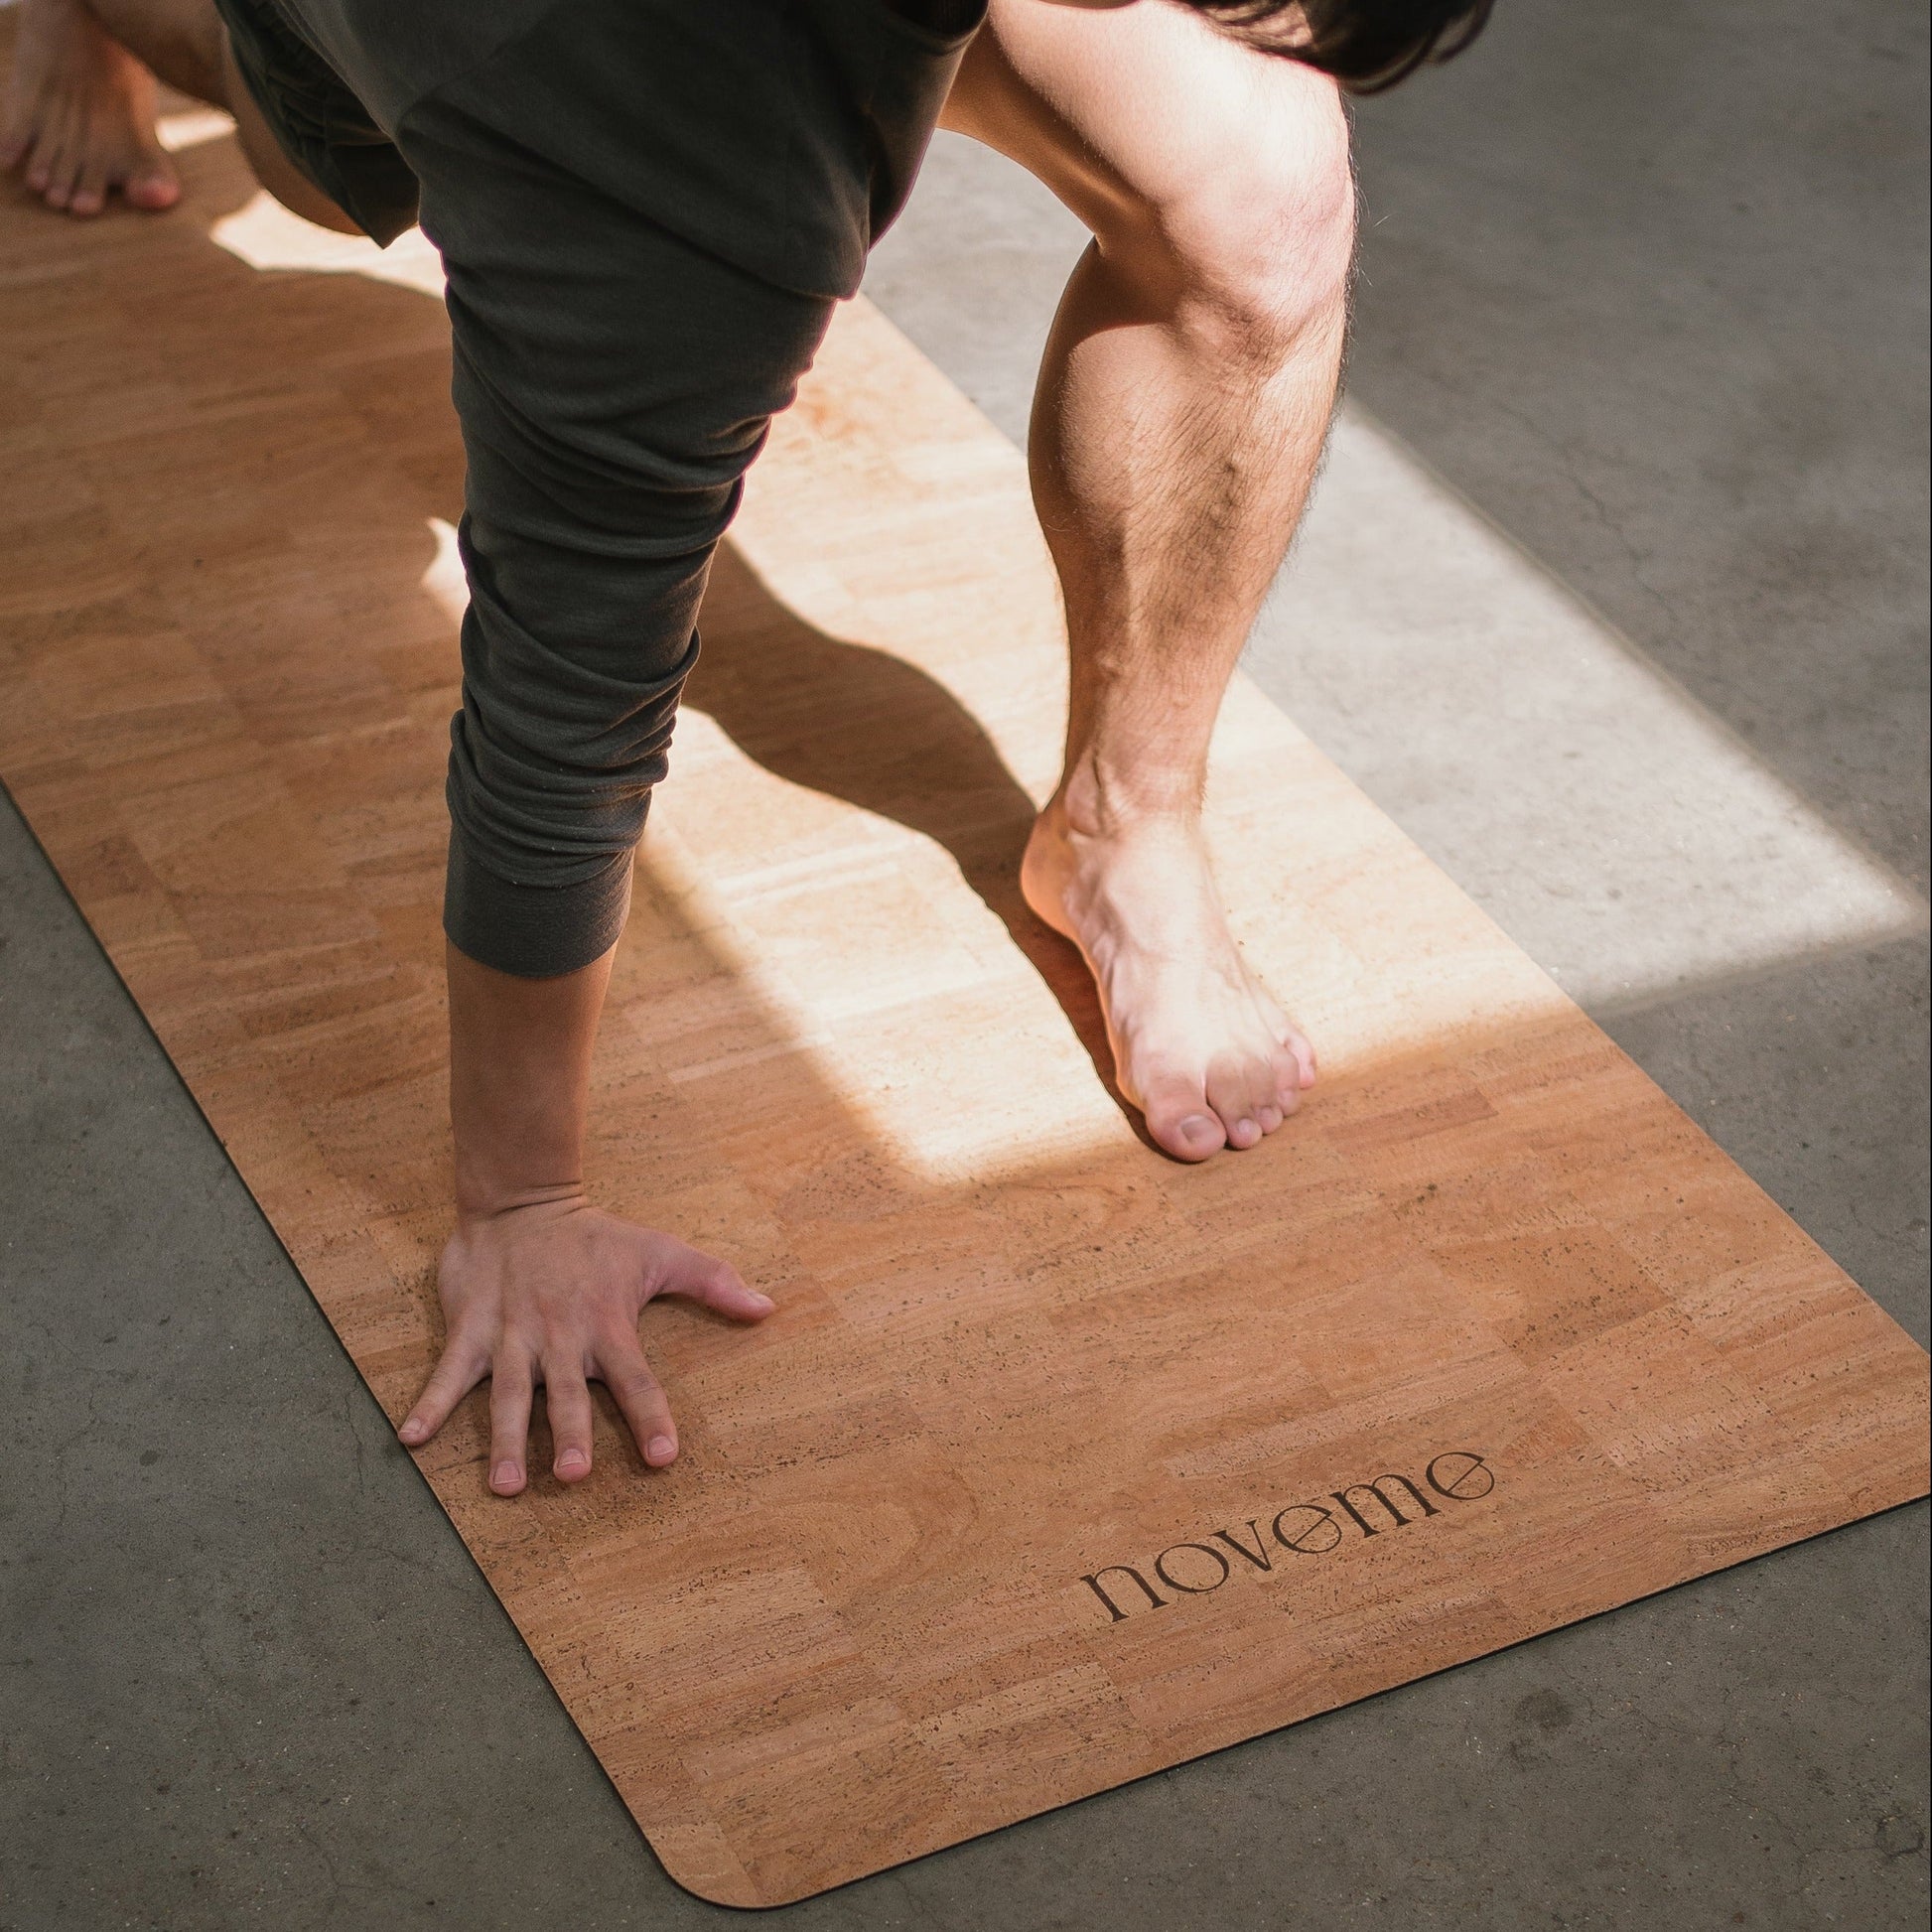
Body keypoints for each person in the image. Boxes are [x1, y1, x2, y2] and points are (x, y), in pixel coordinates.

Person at [3, 0, 1490, 1494]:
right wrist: (521, 1199)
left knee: (1256, 190)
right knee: (309, 146)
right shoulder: (680, 179)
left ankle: (1126, 820)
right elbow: (565, 693)